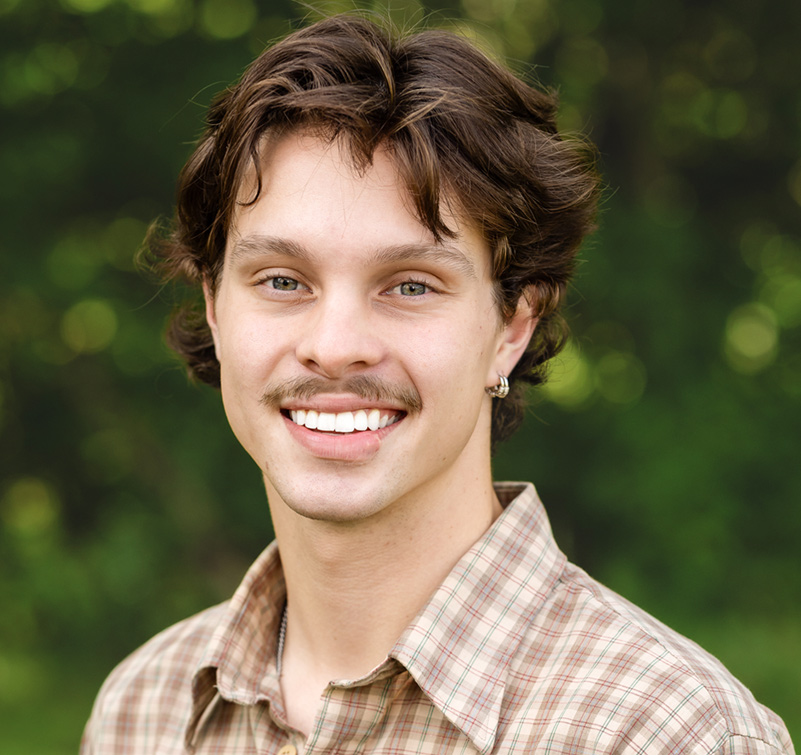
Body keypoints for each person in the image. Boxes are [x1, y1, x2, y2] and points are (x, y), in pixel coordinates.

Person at [81, 14, 793, 755]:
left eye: (410, 285)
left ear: (512, 324)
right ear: (214, 309)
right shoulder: (145, 710)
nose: (334, 347)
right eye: (283, 279)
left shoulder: (666, 733)